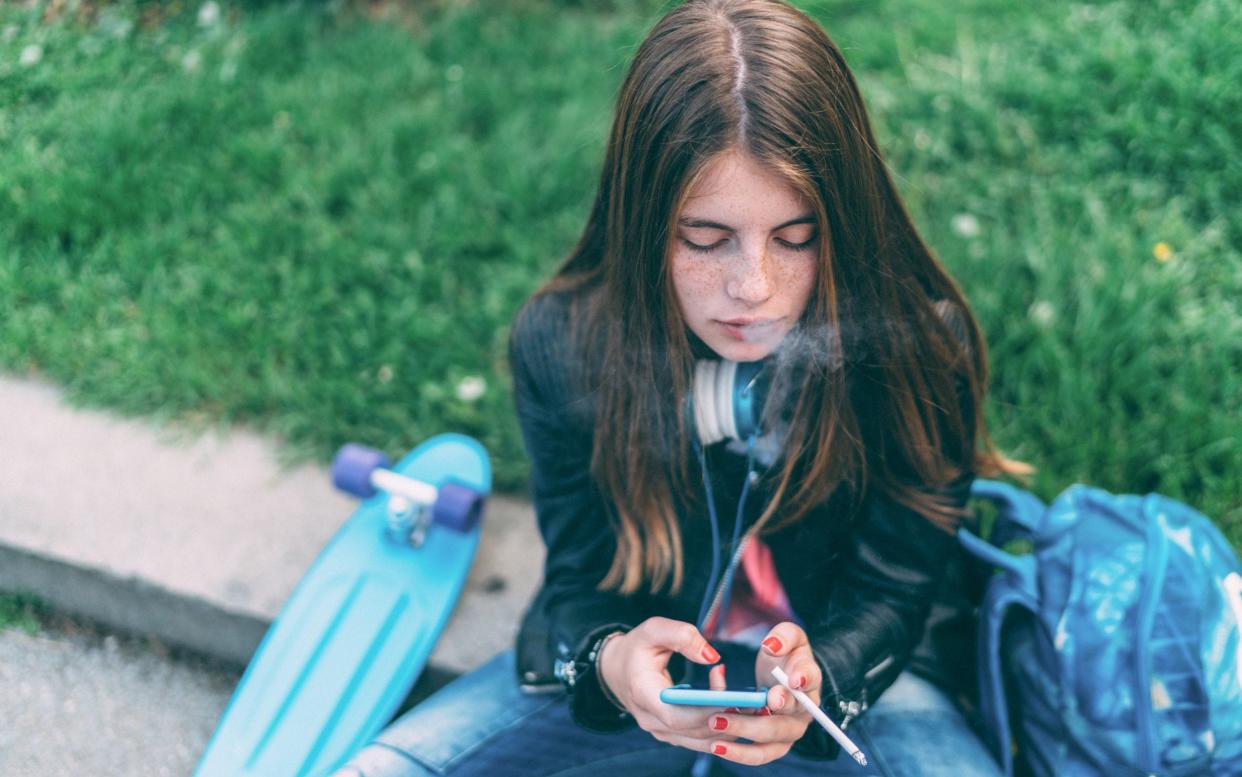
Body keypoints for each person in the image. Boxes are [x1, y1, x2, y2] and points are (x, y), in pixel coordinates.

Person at [336, 0, 1026, 774]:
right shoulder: (563, 345)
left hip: (860, 685)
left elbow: (896, 591)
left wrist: (820, 678)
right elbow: (580, 583)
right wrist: (608, 663)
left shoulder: (915, 347)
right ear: (643, 223)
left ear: (843, 221)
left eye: (796, 238)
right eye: (706, 238)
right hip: (644, 672)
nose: (753, 286)